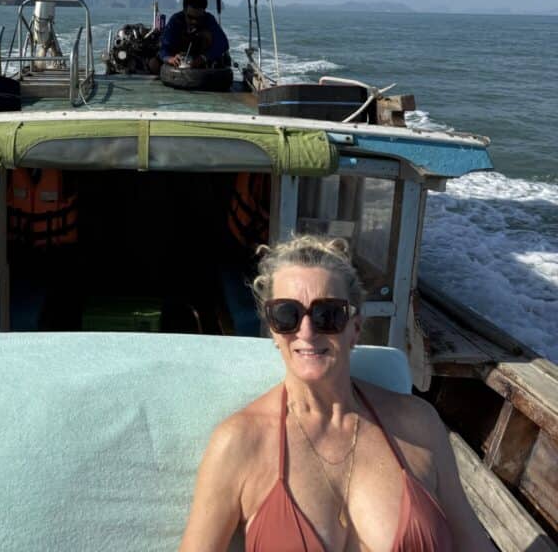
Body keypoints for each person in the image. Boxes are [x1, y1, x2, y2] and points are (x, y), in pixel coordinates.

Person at [179, 235, 493, 552]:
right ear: (273, 329)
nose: (306, 332)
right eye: (287, 314)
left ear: (354, 328)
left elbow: (474, 543)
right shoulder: (239, 443)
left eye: (327, 314)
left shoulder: (419, 425)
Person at [158, 0, 229, 69]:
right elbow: (163, 48)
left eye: (198, 18)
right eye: (190, 17)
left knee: (208, 35)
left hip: (201, 58)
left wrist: (203, 58)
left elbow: (223, 43)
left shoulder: (209, 19)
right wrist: (170, 58)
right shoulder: (176, 21)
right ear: (184, 11)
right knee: (153, 64)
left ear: (204, 12)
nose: (194, 21)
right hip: (179, 59)